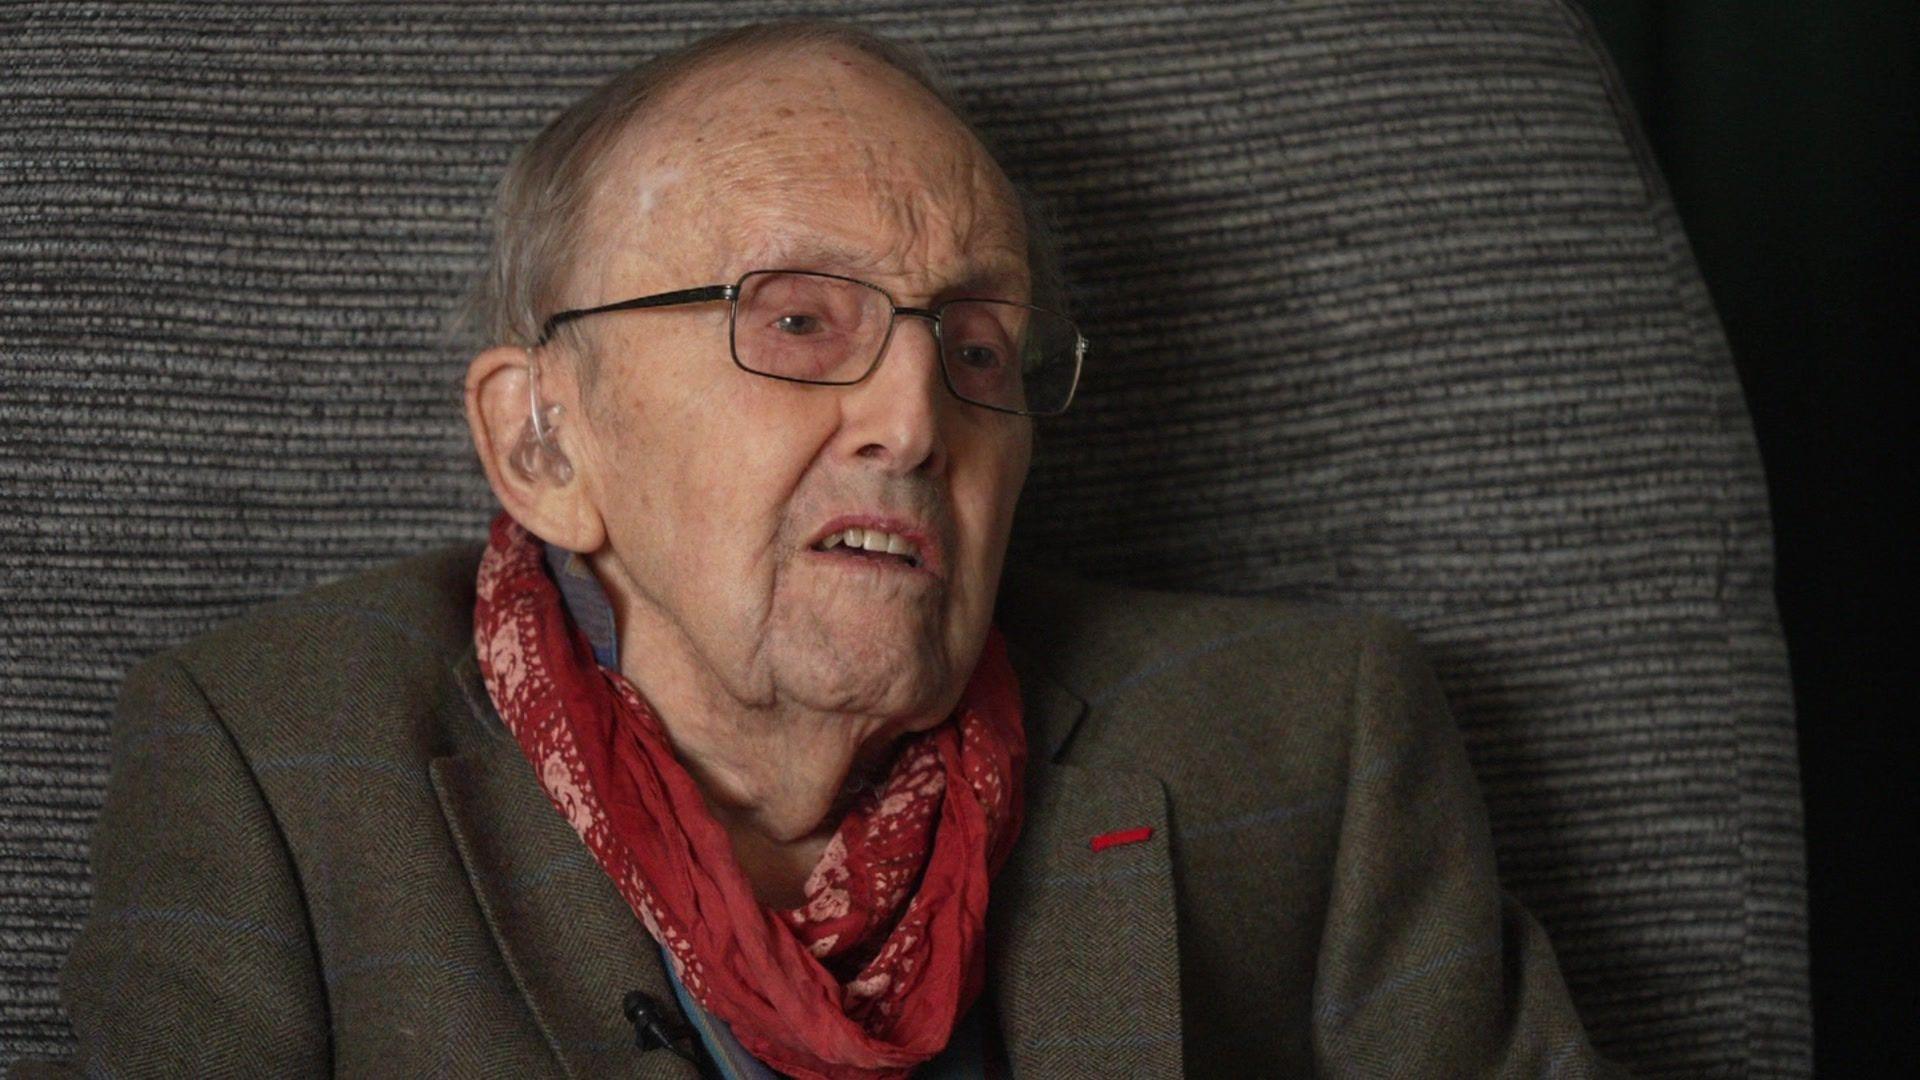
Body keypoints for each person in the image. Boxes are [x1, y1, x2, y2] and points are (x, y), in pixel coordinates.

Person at [14, 19, 1627, 1080]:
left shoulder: (1312, 740)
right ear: (544, 442)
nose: (916, 418)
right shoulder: (270, 765)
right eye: (797, 321)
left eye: (980, 351)